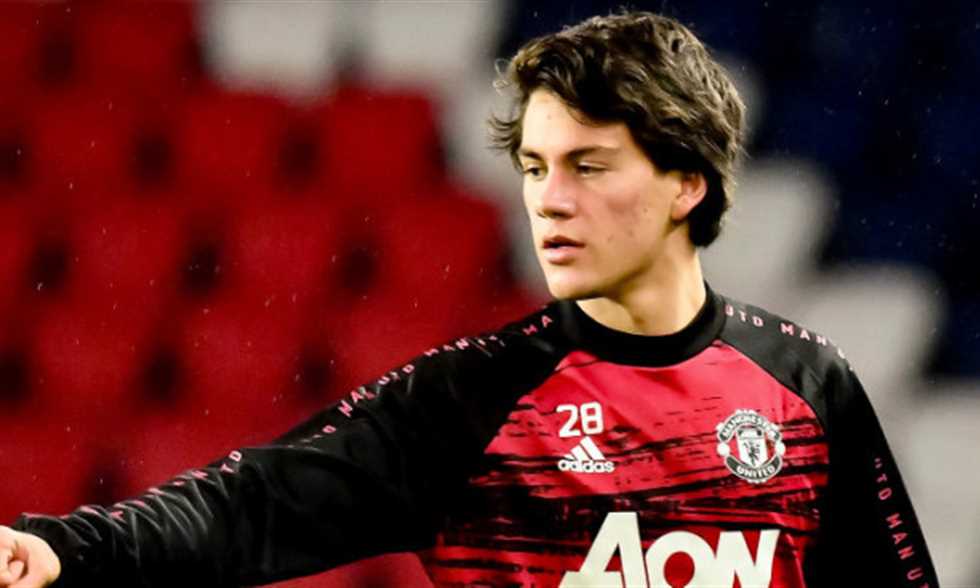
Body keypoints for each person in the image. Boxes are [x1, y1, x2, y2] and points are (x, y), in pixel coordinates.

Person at [0, 11, 938, 588]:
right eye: (534, 167)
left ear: (686, 182)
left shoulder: (808, 387)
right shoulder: (467, 400)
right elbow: (250, 507)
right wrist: (66, 551)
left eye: (588, 167)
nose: (549, 200)